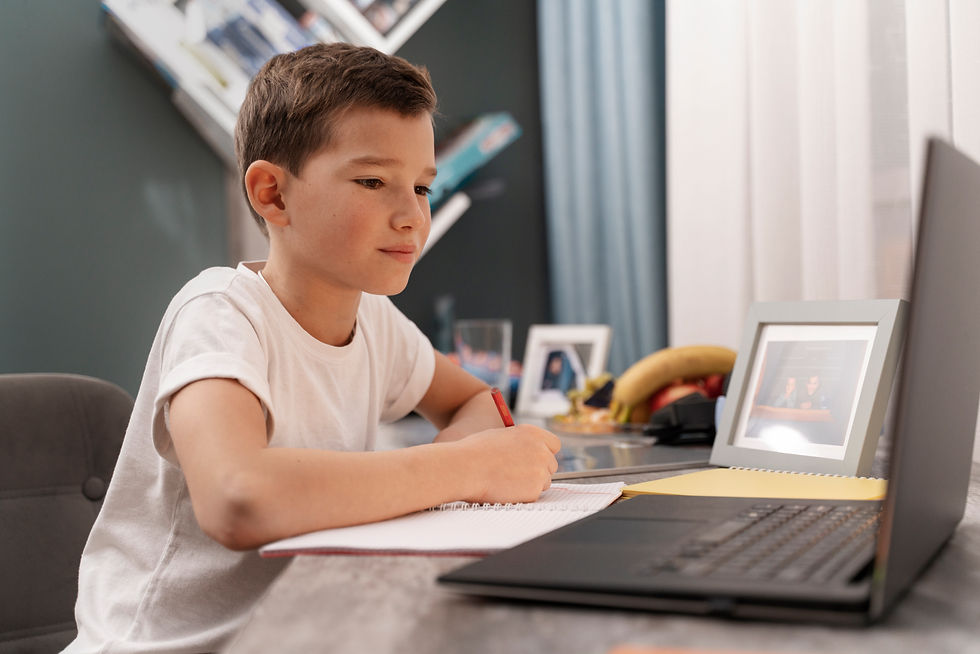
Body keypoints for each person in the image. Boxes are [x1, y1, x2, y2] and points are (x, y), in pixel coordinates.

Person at [66, 43, 560, 653]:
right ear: (273, 194)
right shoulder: (220, 314)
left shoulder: (374, 321)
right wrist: (468, 468)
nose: (411, 216)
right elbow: (237, 499)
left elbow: (477, 401)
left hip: (300, 632)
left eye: (422, 188)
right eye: (373, 181)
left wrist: (449, 476)